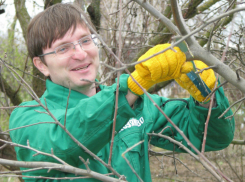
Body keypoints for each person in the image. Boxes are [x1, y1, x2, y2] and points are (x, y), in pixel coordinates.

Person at [9, 3, 235, 182]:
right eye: (63, 48)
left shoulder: (140, 105)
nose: (80, 54)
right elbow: (63, 142)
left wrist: (206, 93)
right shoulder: (28, 118)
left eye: (85, 40)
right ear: (41, 65)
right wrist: (133, 86)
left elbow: (211, 139)